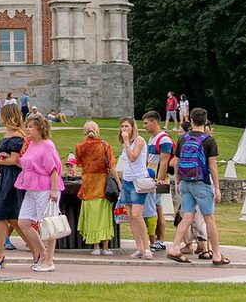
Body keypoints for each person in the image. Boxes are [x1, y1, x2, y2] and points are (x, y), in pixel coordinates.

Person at [171, 106, 227, 266]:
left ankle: (175, 247)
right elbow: (212, 166)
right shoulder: (208, 140)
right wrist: (216, 188)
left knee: (187, 217)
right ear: (205, 120)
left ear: (191, 120)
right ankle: (216, 254)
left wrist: (178, 181)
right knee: (209, 218)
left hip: (185, 182)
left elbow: (177, 162)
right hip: (201, 182)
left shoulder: (183, 138)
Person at [9, 113, 62, 273]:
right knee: (24, 222)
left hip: (45, 188)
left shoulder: (47, 145)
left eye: (30, 127)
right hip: (31, 188)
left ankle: (49, 260)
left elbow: (54, 169)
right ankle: (43, 252)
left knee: (47, 225)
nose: (27, 130)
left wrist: (53, 190)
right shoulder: (31, 145)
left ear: (40, 129)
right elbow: (28, 165)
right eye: (27, 127)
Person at [0, 105, 26, 264]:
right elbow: (6, 157)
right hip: (4, 177)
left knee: (12, 218)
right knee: (1, 217)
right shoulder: (7, 133)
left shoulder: (17, 135)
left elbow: (15, 160)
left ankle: (37, 250)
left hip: (11, 179)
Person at [75, 120, 115, 254]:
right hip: (102, 184)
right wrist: (118, 184)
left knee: (92, 216)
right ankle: (105, 247)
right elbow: (112, 166)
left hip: (88, 185)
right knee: (104, 216)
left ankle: (96, 247)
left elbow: (79, 163)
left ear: (84, 131)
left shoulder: (80, 147)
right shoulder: (105, 145)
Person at [117, 117, 154, 259]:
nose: (124, 129)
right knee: (131, 216)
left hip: (139, 181)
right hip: (127, 180)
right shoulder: (125, 144)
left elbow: (133, 157)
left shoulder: (139, 140)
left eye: (126, 126)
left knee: (138, 215)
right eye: (122, 127)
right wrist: (125, 143)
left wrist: (127, 142)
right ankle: (139, 247)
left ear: (132, 127)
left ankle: (147, 248)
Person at [143, 111, 174, 251]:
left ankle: (156, 239)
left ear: (154, 122)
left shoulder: (164, 139)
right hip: (151, 176)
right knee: (157, 208)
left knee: (152, 209)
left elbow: (164, 160)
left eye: (146, 123)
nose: (144, 126)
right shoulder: (152, 139)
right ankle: (159, 239)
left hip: (157, 179)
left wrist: (160, 180)